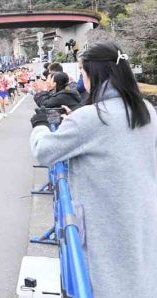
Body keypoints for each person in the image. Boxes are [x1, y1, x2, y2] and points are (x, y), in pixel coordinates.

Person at [30, 42, 157, 298]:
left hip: (106, 220)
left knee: (106, 282)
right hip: (143, 212)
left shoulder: (91, 117)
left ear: (94, 75)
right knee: (141, 276)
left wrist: (41, 125)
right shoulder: (146, 110)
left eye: (83, 73)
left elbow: (44, 151)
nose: (81, 79)